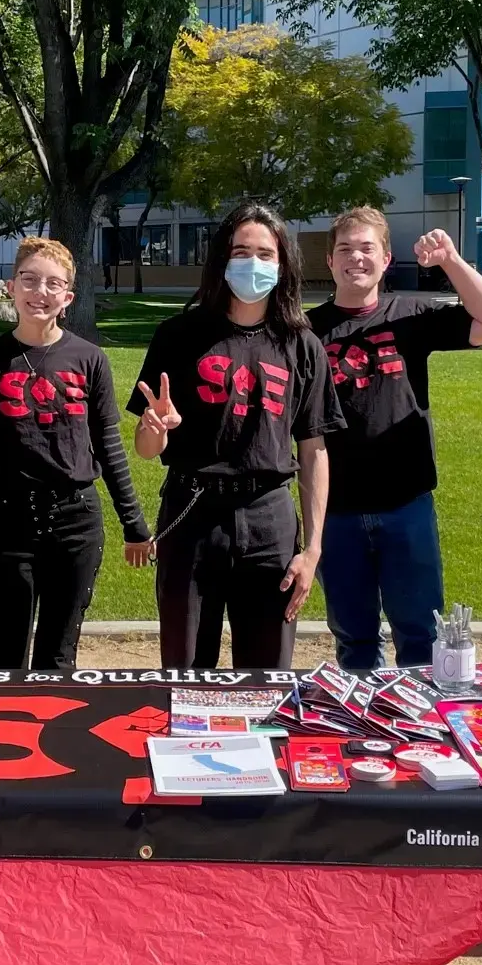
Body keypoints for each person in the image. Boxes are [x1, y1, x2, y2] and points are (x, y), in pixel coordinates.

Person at [128, 203, 342, 668]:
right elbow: (146, 450)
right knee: (184, 673)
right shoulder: (179, 335)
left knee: (267, 679)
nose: (253, 263)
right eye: (241, 251)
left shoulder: (302, 344)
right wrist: (154, 430)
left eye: (266, 254)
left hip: (269, 519)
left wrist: (312, 549)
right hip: (192, 514)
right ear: (221, 258)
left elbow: (314, 449)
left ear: (282, 264)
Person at [307, 208, 482, 667]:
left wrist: (452, 262)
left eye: (367, 248)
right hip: (336, 510)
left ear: (386, 259)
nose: (355, 258)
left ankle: (419, 734)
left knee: (420, 635)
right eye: (345, 249)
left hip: (406, 504)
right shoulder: (306, 331)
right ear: (329, 260)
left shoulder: (410, 314)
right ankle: (367, 731)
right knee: (354, 638)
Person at [0, 237, 153, 670]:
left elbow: (109, 447)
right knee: (3, 658)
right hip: (12, 521)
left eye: (53, 285)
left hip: (77, 522)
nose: (40, 292)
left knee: (58, 659)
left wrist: (134, 525)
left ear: (68, 298)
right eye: (30, 280)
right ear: (10, 288)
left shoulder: (89, 359)